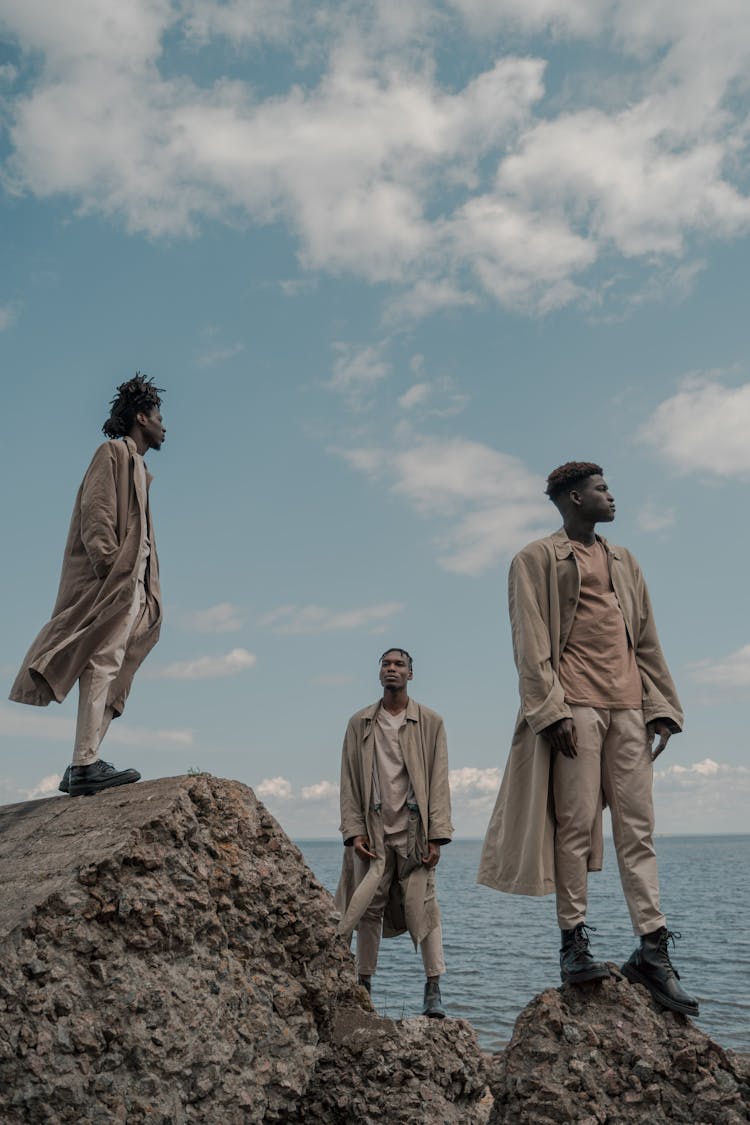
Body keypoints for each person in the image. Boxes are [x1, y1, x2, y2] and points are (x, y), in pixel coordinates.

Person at [478, 462, 698, 1016]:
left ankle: (652, 949)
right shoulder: (535, 558)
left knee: (638, 830)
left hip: (629, 708)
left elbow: (646, 637)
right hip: (573, 708)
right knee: (574, 827)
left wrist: (663, 706)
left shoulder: (625, 560)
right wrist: (548, 712)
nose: (611, 496)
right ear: (575, 498)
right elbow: (529, 643)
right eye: (602, 489)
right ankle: (574, 945)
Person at [9, 374, 166, 798]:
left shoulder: (140, 466)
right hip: (113, 581)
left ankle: (86, 758)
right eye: (158, 417)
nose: (164, 426)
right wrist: (111, 568)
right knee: (103, 662)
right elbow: (96, 513)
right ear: (141, 417)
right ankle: (84, 764)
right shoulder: (112, 452)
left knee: (117, 665)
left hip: (133, 584)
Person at [335, 648, 453, 1018]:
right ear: (379, 673)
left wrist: (437, 835)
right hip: (373, 836)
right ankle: (364, 984)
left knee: (425, 908)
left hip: (415, 836)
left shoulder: (430, 722)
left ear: (410, 674)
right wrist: (354, 831)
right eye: (386, 664)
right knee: (367, 908)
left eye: (399, 664)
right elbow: (349, 783)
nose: (391, 669)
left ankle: (433, 988)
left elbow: (439, 780)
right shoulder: (360, 723)